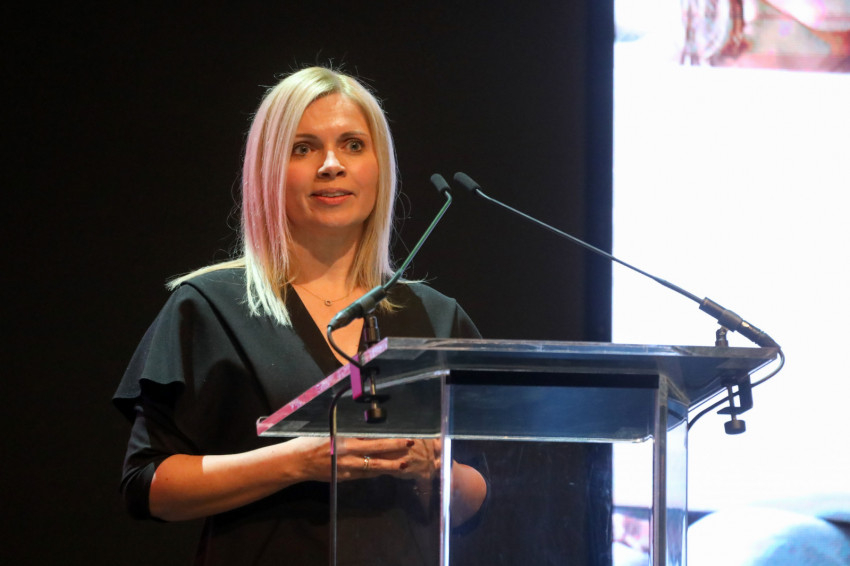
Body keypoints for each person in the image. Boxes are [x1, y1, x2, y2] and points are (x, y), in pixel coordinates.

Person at [113, 66, 487, 566]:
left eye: (353, 145)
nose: (332, 165)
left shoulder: (437, 317)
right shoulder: (208, 306)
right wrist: (297, 460)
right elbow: (148, 486)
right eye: (303, 148)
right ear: (268, 170)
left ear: (380, 165)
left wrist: (429, 467)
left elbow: (479, 495)